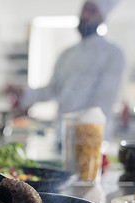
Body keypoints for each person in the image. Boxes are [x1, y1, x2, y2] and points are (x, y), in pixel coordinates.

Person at [7, 0, 125, 141]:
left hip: (91, 138)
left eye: (92, 11)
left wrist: (78, 126)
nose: (85, 15)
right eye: (84, 9)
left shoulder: (113, 54)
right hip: (62, 136)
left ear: (102, 18)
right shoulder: (67, 54)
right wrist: (23, 92)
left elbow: (103, 102)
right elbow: (52, 89)